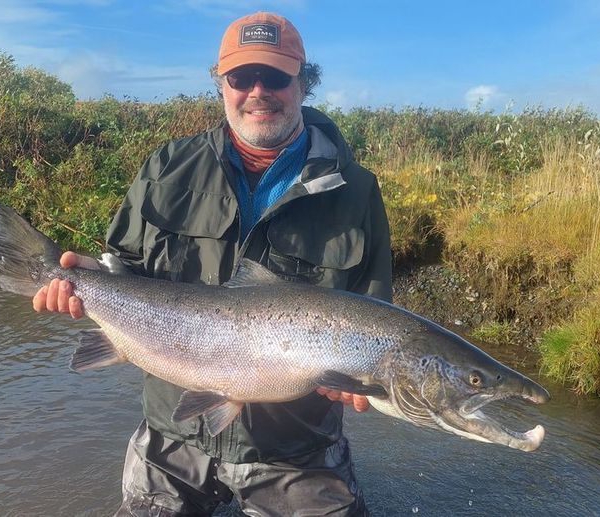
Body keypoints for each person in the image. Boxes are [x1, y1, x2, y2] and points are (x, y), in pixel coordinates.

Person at [33, 11, 393, 516]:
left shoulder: (356, 191)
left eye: (275, 77)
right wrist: (79, 278)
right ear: (221, 83)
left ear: (303, 84)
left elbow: (375, 316)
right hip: (172, 432)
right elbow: (122, 270)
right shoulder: (166, 168)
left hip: (297, 450)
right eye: (242, 77)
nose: (258, 91)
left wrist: (367, 385)